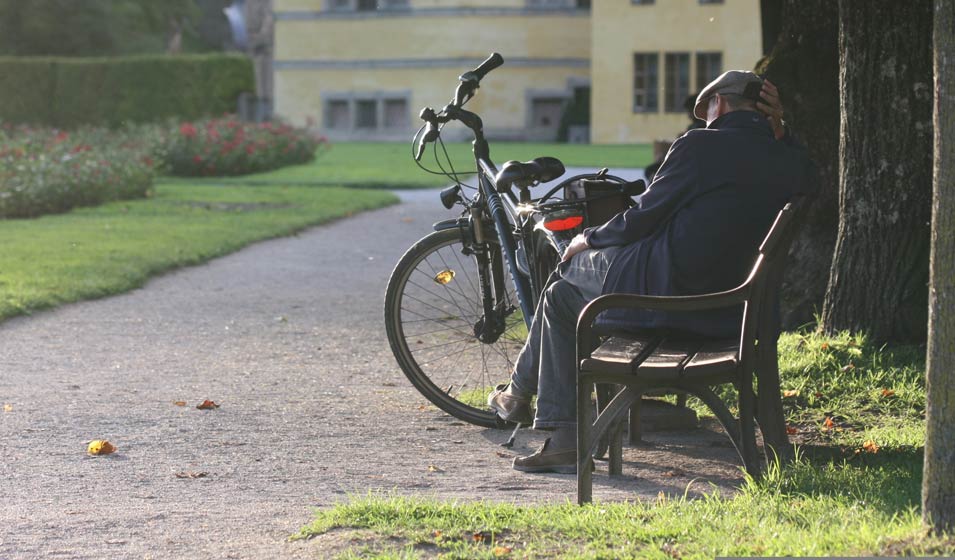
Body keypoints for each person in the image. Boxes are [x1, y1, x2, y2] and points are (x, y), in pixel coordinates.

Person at [487, 71, 816, 474]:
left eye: (707, 109)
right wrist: (782, 131)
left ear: (721, 104)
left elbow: (643, 217)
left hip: (669, 303)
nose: (704, 119)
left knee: (564, 279)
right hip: (740, 315)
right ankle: (524, 398)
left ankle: (546, 418)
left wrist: (587, 238)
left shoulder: (700, 146)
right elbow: (808, 175)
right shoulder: (790, 159)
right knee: (565, 295)